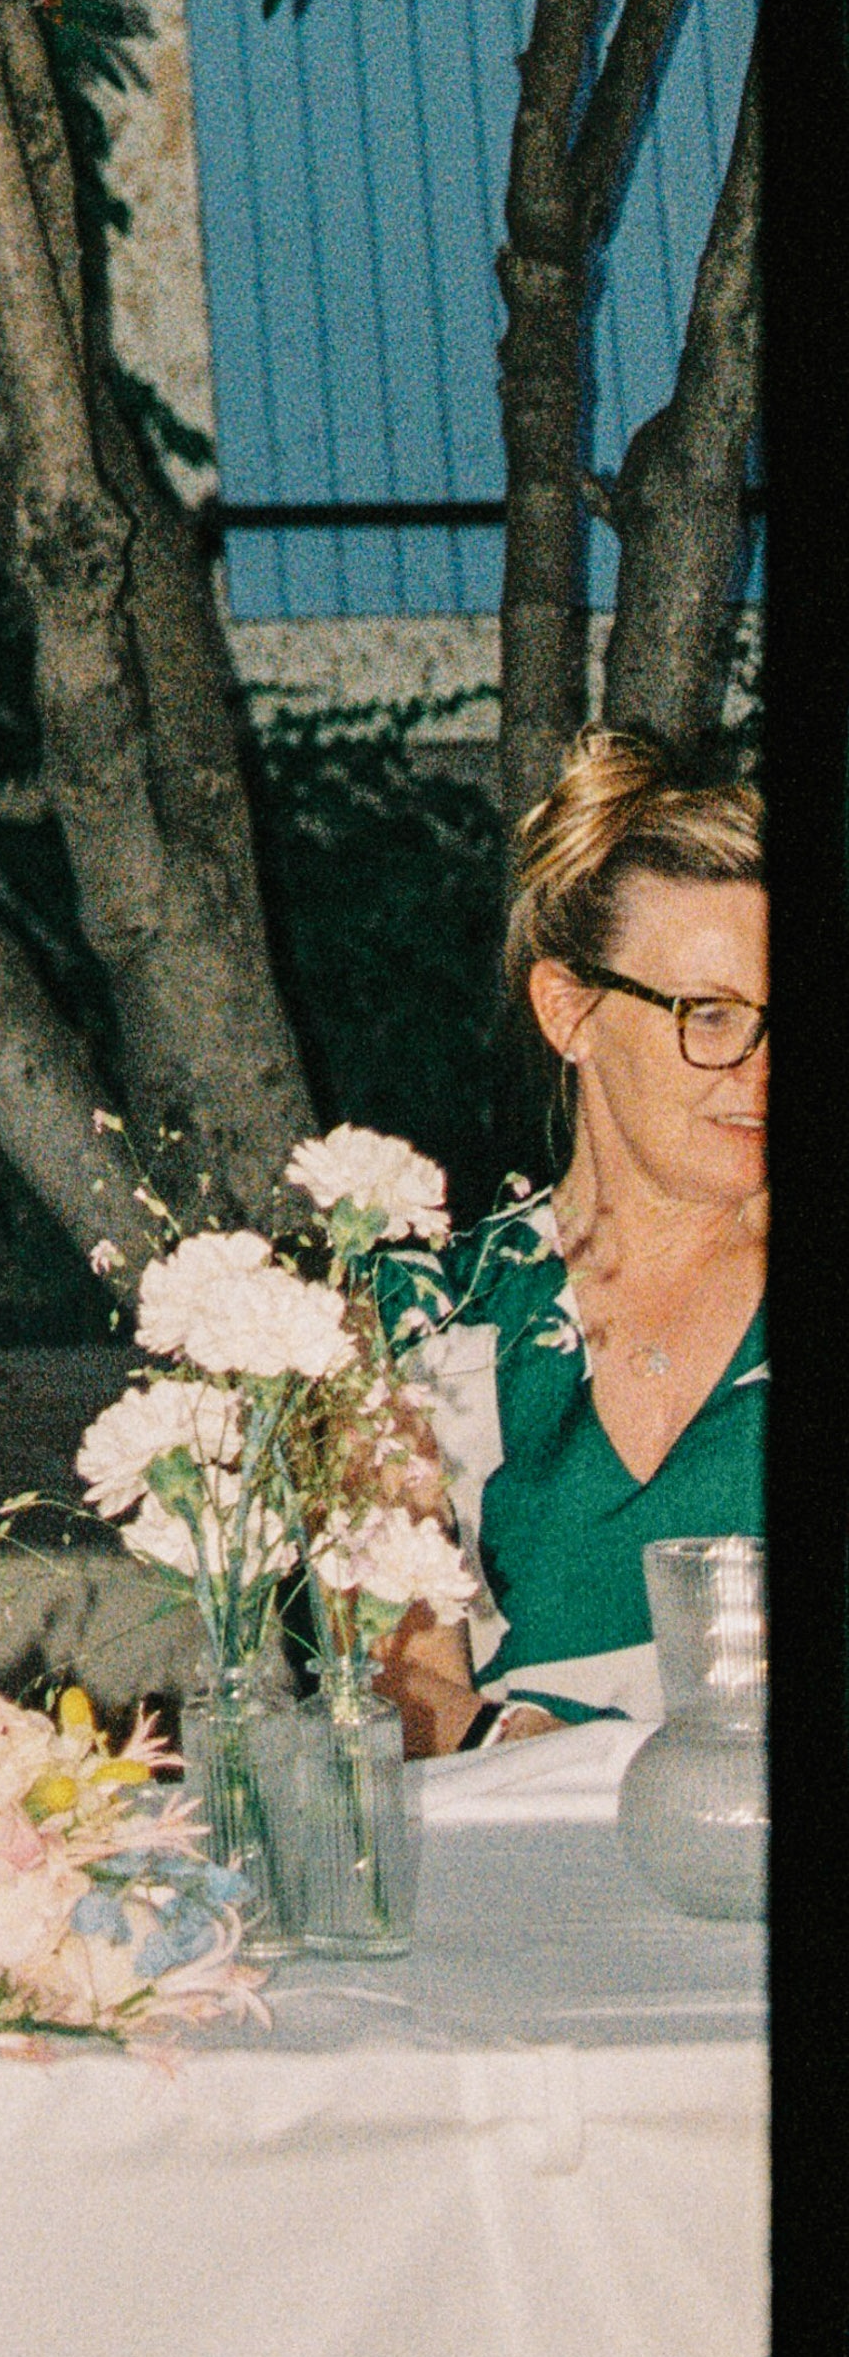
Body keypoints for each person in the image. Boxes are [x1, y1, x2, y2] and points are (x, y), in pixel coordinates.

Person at [391, 731, 762, 1751]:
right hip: (529, 1862)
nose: (759, 1069)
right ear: (570, 1011)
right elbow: (397, 1682)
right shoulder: (424, 1317)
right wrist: (546, 1761)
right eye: (710, 1016)